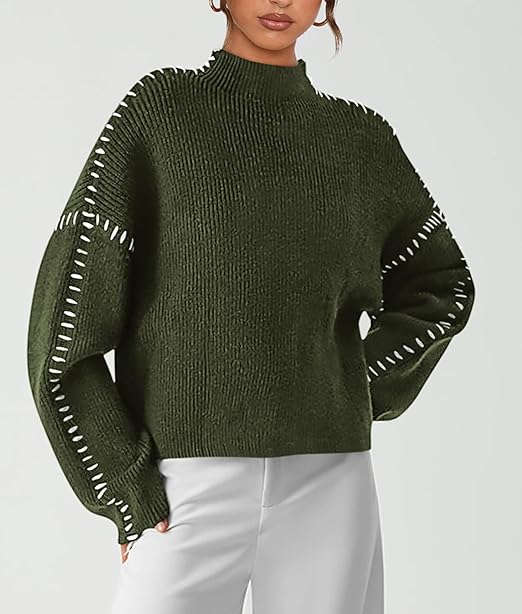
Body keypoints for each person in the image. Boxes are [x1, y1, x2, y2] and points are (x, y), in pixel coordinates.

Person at [25, 1, 476, 613]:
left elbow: (442, 284)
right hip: (181, 486)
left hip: (330, 480)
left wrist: (347, 386)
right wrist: (123, 484)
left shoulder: (360, 141)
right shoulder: (160, 116)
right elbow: (63, 329)